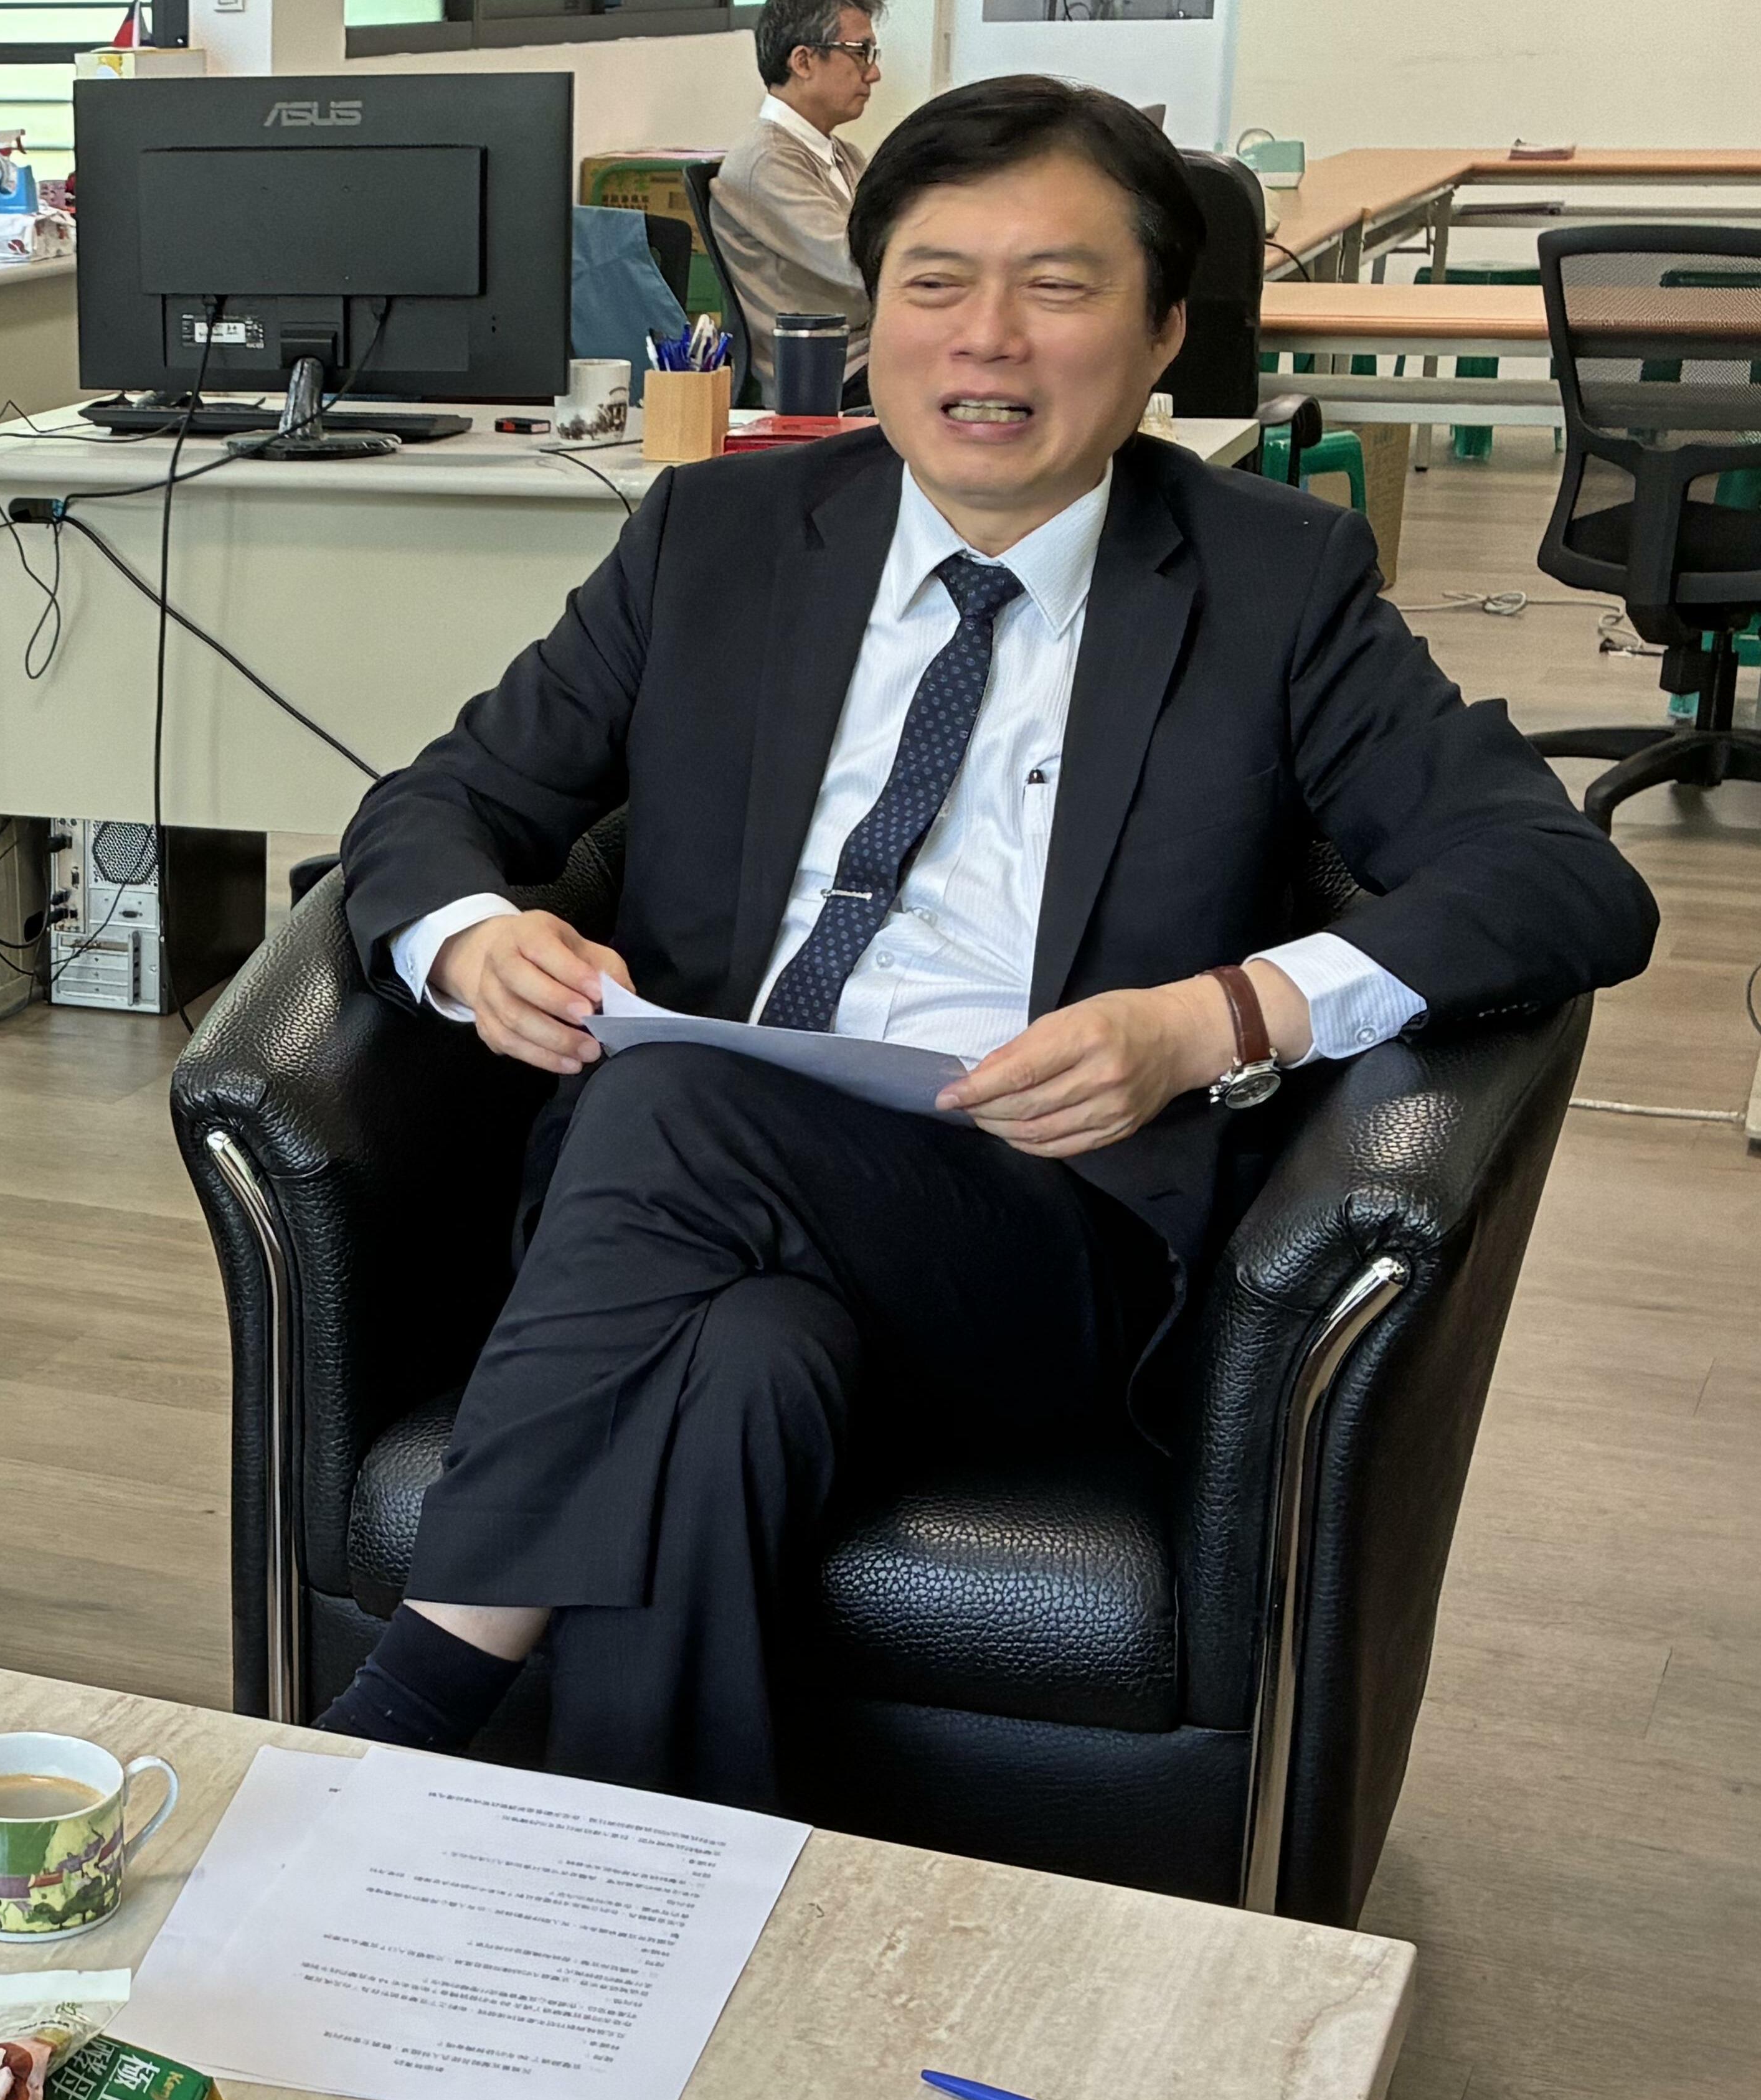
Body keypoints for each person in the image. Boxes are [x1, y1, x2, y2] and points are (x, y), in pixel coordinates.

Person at [317, 81, 1656, 1809]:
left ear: (1162, 334)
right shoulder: (714, 539)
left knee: (668, 1101)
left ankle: (405, 1705)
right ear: (871, 315)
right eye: (935, 282)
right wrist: (470, 939)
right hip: (680, 1235)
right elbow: (437, 804)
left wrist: (1218, 1018)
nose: (987, 338)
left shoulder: (1275, 583)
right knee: (733, 1376)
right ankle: (649, 1905)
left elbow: (1559, 879)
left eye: (1059, 286)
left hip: (1037, 1232)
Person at [708, 0, 884, 390]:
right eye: (860, 53)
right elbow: (861, 263)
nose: (873, 73)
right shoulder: (766, 161)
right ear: (803, 62)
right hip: (825, 377)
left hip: (872, 356)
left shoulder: (844, 155)